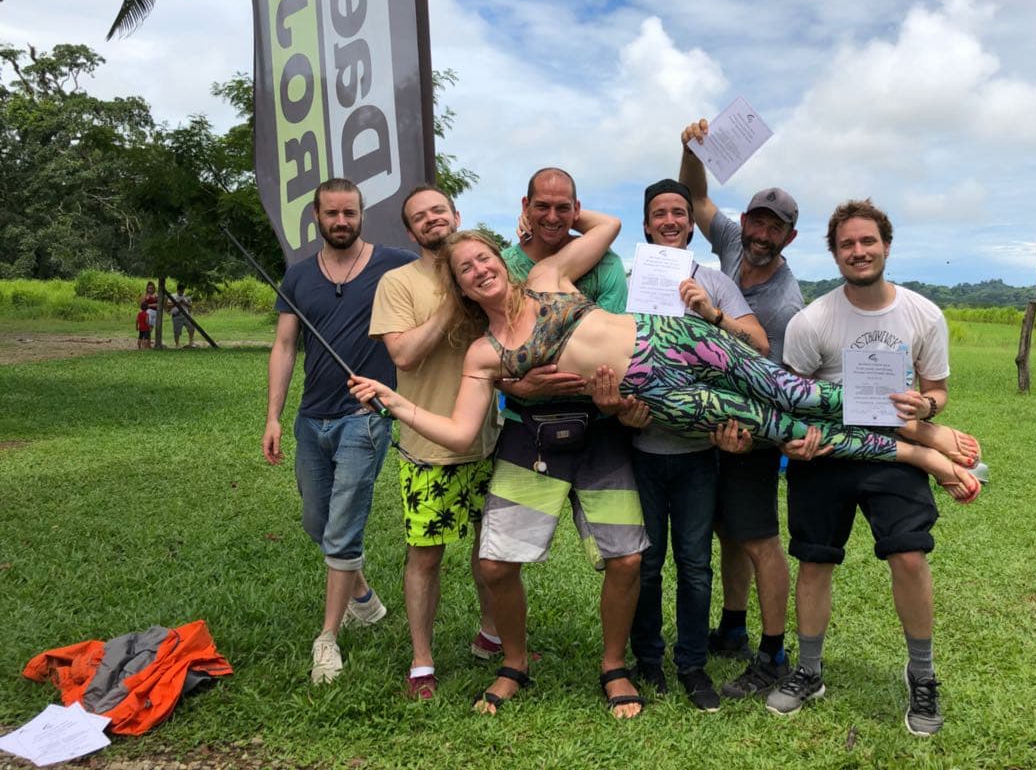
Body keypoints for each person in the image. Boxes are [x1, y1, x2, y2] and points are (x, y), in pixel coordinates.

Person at [348, 217, 982, 695]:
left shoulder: (546, 276)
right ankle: (914, 453)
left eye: (485, 257)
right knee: (780, 428)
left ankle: (922, 432)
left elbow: (607, 224)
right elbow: (460, 434)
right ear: (457, 286)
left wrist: (546, 222)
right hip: (659, 397)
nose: (479, 271)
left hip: (674, 340)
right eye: (466, 270)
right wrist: (395, 403)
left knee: (798, 394)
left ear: (503, 258)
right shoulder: (484, 353)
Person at [767, 198, 977, 732]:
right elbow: (793, 399)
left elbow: (937, 390)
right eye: (847, 244)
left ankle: (923, 675)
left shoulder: (923, 314)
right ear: (834, 254)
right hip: (828, 456)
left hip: (890, 455)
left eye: (867, 241)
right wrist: (795, 442)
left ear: (885, 244)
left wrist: (926, 407)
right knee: (816, 561)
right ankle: (809, 670)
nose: (858, 252)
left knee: (909, 557)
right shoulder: (812, 321)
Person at [484, 168, 647, 718]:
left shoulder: (601, 264)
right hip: (531, 430)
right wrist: (514, 383)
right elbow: (485, 346)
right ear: (524, 204)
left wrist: (611, 399)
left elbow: (614, 342)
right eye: (543, 207)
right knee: (497, 563)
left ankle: (613, 665)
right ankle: (514, 660)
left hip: (599, 428)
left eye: (564, 208)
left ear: (576, 208)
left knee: (625, 559)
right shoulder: (502, 266)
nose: (553, 219)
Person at [261, 178, 417, 684]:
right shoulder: (299, 275)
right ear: (317, 217)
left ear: (361, 213)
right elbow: (285, 347)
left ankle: (327, 637)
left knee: (344, 523)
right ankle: (364, 599)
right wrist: (273, 417)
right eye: (332, 214)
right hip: (311, 417)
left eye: (350, 212)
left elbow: (446, 268)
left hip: (364, 416)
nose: (342, 221)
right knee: (316, 521)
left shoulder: (393, 263)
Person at [625, 179, 767, 712]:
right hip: (639, 448)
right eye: (659, 212)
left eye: (679, 213)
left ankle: (691, 666)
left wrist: (710, 312)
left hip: (697, 455)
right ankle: (647, 659)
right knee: (645, 562)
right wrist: (621, 410)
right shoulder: (629, 281)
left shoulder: (714, 282)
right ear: (645, 224)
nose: (669, 220)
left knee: (694, 563)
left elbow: (758, 345)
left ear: (691, 224)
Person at [678, 118, 803, 698]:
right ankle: (732, 626)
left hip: (749, 427)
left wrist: (749, 438)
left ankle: (773, 654)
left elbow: (771, 377)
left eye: (773, 228)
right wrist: (690, 149)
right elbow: (696, 197)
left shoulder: (782, 303)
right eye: (756, 220)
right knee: (728, 531)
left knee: (757, 538)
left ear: (788, 239)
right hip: (713, 417)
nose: (759, 233)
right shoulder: (729, 244)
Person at [369, 186, 501, 701]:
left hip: (491, 440)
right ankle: (422, 660)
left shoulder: (482, 269)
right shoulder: (398, 282)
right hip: (429, 447)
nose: (431, 221)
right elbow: (402, 355)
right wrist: (451, 300)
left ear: (456, 215)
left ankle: (491, 635)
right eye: (420, 218)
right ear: (410, 232)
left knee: (491, 551)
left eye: (438, 211)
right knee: (426, 555)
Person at [168, 283, 195, 348]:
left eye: (183, 290)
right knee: (177, 332)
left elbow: (191, 306)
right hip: (176, 315)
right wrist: (177, 303)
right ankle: (177, 345)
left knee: (191, 328)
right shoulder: (173, 296)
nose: (182, 292)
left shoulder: (187, 296)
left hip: (186, 315)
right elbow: (168, 305)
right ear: (177, 290)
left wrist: (184, 303)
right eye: (180, 291)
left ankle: (190, 343)